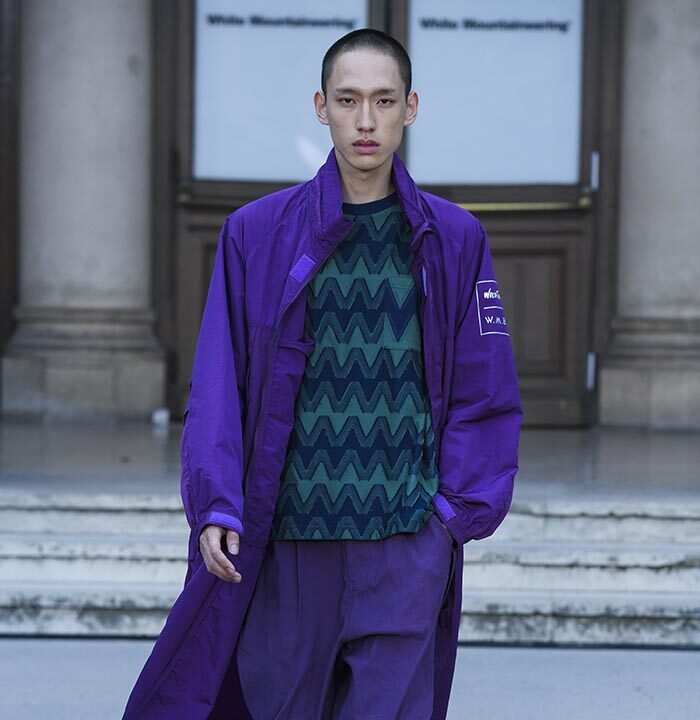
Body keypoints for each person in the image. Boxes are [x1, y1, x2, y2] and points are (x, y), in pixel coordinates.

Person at [122, 27, 522, 720]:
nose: (366, 121)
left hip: (404, 539)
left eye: (384, 100)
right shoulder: (256, 233)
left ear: (411, 108)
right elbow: (219, 382)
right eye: (348, 100)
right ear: (320, 107)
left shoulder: (454, 238)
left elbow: (485, 388)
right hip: (289, 545)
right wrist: (217, 502)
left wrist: (450, 517)